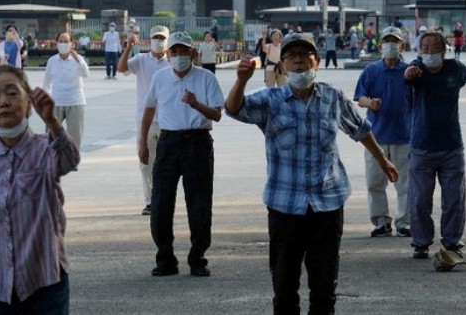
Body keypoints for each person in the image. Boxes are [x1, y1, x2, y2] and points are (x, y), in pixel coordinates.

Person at [225, 32, 398, 315]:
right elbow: (234, 109)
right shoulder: (271, 100)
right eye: (292, 58)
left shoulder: (332, 97)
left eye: (305, 57)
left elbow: (360, 129)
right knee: (284, 289)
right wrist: (241, 80)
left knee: (324, 290)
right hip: (284, 206)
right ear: (282, 66)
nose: (299, 63)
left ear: (316, 61)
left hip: (327, 204)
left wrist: (382, 160)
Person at [0, 65, 79, 314]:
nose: (4, 102)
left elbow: (70, 160)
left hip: (43, 280)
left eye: (12, 93)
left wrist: (52, 120)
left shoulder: (46, 149)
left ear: (29, 102)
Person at [404, 32, 466, 262]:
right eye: (425, 48)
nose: (429, 52)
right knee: (419, 200)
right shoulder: (416, 68)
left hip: (451, 147)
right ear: (420, 51)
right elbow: (407, 75)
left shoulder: (455, 69)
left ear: (444, 50)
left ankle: (452, 241)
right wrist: (409, 73)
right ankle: (421, 242)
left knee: (454, 200)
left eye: (434, 47)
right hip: (422, 147)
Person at [139, 31, 224, 278]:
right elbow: (149, 109)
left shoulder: (206, 78)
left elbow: (217, 114)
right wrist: (144, 142)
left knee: (199, 202)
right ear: (167, 55)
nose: (178, 57)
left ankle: (198, 257)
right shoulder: (160, 77)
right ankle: (165, 258)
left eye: (183, 52)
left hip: (197, 142)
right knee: (161, 202)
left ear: (193, 54)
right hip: (168, 142)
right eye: (173, 52)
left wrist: (197, 104)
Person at [354, 26, 411, 238]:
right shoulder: (370, 71)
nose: (390, 45)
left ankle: (404, 221)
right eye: (387, 41)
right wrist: (370, 102)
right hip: (375, 136)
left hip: (404, 134)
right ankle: (380, 220)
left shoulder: (410, 72)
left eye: (395, 41)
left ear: (402, 45)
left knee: (405, 182)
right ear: (379, 46)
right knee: (374, 181)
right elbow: (359, 98)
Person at [118, 25, 170, 216]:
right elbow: (121, 68)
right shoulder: (141, 60)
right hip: (144, 119)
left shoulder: (172, 61)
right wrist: (128, 48)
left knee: (166, 162)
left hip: (167, 118)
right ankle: (149, 200)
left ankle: (163, 197)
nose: (159, 41)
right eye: (156, 38)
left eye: (162, 38)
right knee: (146, 161)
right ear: (149, 40)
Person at [42, 32, 89, 150]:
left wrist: (78, 59)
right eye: (61, 41)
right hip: (56, 101)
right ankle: (53, 159)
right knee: (52, 134)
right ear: (56, 43)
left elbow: (86, 74)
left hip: (75, 100)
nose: (63, 44)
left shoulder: (78, 60)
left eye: (66, 42)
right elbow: (46, 82)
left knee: (75, 134)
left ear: (71, 44)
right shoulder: (52, 61)